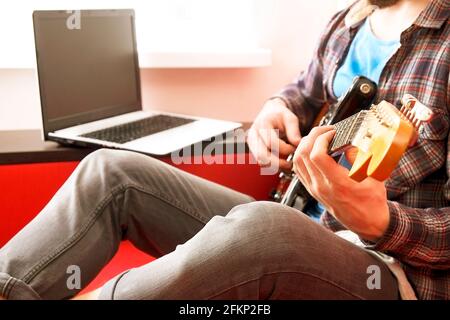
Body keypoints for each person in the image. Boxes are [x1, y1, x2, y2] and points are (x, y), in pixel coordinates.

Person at [0, 0, 448, 300]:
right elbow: (302, 92)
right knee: (111, 171)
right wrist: (276, 107)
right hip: (301, 217)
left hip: (390, 271)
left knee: (264, 227)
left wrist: (381, 222)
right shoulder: (347, 22)